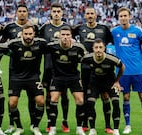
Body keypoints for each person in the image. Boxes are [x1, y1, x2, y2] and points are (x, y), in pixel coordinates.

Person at [111, 7, 142, 134]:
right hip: (122, 73)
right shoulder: (114, 32)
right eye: (121, 16)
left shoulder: (138, 31)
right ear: (118, 18)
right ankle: (128, 125)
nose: (123, 18)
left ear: (130, 16)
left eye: (125, 15)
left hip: (138, 70)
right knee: (125, 97)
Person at [73, 7, 114, 134]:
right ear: (84, 16)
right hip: (85, 68)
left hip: (102, 68)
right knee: (86, 96)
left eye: (92, 13)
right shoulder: (80, 28)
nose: (90, 16)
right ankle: (85, 123)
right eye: (88, 14)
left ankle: (108, 125)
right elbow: (67, 34)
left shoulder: (103, 29)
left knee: (105, 95)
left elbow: (112, 42)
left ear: (96, 15)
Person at [0, 4, 39, 134]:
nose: (22, 13)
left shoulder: (35, 27)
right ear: (16, 13)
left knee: (33, 98)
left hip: (32, 68)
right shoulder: (9, 27)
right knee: (12, 98)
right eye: (20, 11)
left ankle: (34, 124)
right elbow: (2, 43)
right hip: (14, 68)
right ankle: (12, 124)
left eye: (24, 11)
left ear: (27, 13)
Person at [7, 24, 46, 135]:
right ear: (22, 34)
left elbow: (53, 47)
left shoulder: (41, 44)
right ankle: (19, 127)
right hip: (16, 77)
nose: (28, 36)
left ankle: (35, 126)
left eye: (30, 34)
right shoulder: (13, 44)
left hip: (33, 77)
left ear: (34, 34)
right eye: (26, 34)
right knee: (12, 103)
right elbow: (0, 48)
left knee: (40, 101)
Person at [47, 26, 87, 135]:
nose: (65, 37)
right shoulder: (52, 46)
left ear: (71, 36)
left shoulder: (78, 47)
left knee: (80, 100)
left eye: (67, 35)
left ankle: (79, 128)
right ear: (59, 36)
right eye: (63, 35)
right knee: (54, 99)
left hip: (73, 77)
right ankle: (53, 128)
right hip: (57, 77)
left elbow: (87, 59)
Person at [81, 38, 125, 135]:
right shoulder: (87, 58)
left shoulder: (111, 59)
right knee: (90, 103)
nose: (98, 49)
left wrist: (117, 81)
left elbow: (122, 67)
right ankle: (92, 129)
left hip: (110, 83)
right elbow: (81, 64)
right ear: (93, 48)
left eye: (100, 47)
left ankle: (116, 129)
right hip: (94, 84)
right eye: (96, 47)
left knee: (115, 102)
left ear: (104, 48)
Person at [39, 2, 71, 133]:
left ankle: (65, 121)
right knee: (48, 96)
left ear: (62, 13)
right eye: (54, 11)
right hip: (48, 67)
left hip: (64, 68)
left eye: (59, 11)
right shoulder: (45, 28)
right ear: (50, 13)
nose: (56, 14)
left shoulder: (67, 27)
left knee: (64, 95)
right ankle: (49, 121)